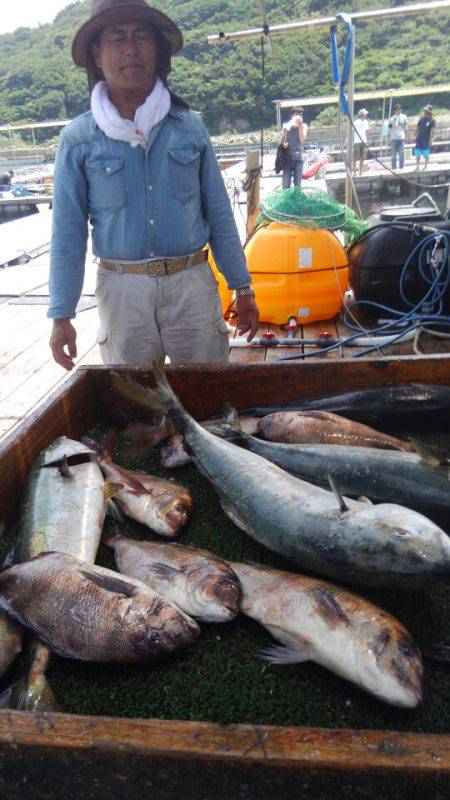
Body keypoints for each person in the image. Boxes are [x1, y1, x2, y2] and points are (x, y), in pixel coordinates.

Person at [49, 0, 259, 370]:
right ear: (97, 55)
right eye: (117, 37)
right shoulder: (77, 139)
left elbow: (219, 214)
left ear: (157, 52)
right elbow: (67, 233)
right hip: (121, 291)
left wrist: (242, 288)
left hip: (192, 285)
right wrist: (62, 315)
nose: (130, 47)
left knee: (208, 397)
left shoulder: (190, 126)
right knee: (136, 407)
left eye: (141, 36)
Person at [279, 107, 307, 189]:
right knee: (286, 184)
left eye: (300, 115)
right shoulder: (286, 126)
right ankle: (286, 200)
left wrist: (300, 126)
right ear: (292, 116)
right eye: (297, 115)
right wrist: (283, 144)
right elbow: (280, 141)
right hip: (287, 159)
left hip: (298, 158)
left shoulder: (304, 126)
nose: (299, 117)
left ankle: (297, 201)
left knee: (297, 185)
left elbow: (302, 140)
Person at [414, 104, 436, 171]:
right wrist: (415, 136)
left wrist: (431, 139)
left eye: (426, 111)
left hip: (426, 140)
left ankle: (426, 166)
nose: (424, 112)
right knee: (417, 153)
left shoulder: (432, 120)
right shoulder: (421, 119)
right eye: (424, 111)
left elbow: (433, 131)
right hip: (419, 139)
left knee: (426, 154)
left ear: (429, 112)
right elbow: (417, 128)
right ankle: (417, 167)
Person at [387, 103, 407, 170]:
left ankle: (401, 167)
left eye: (400, 109)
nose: (399, 111)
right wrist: (388, 140)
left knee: (402, 154)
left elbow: (405, 127)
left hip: (401, 137)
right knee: (393, 155)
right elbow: (389, 130)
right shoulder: (391, 119)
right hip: (393, 138)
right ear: (395, 111)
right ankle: (394, 168)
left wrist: (406, 136)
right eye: (397, 109)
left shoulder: (404, 117)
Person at [352, 108, 369, 176]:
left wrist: (367, 141)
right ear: (362, 115)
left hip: (364, 141)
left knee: (362, 157)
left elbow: (366, 132)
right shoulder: (356, 122)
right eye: (365, 114)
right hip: (357, 141)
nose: (366, 116)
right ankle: (354, 172)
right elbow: (352, 131)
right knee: (355, 157)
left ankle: (360, 171)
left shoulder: (366, 122)